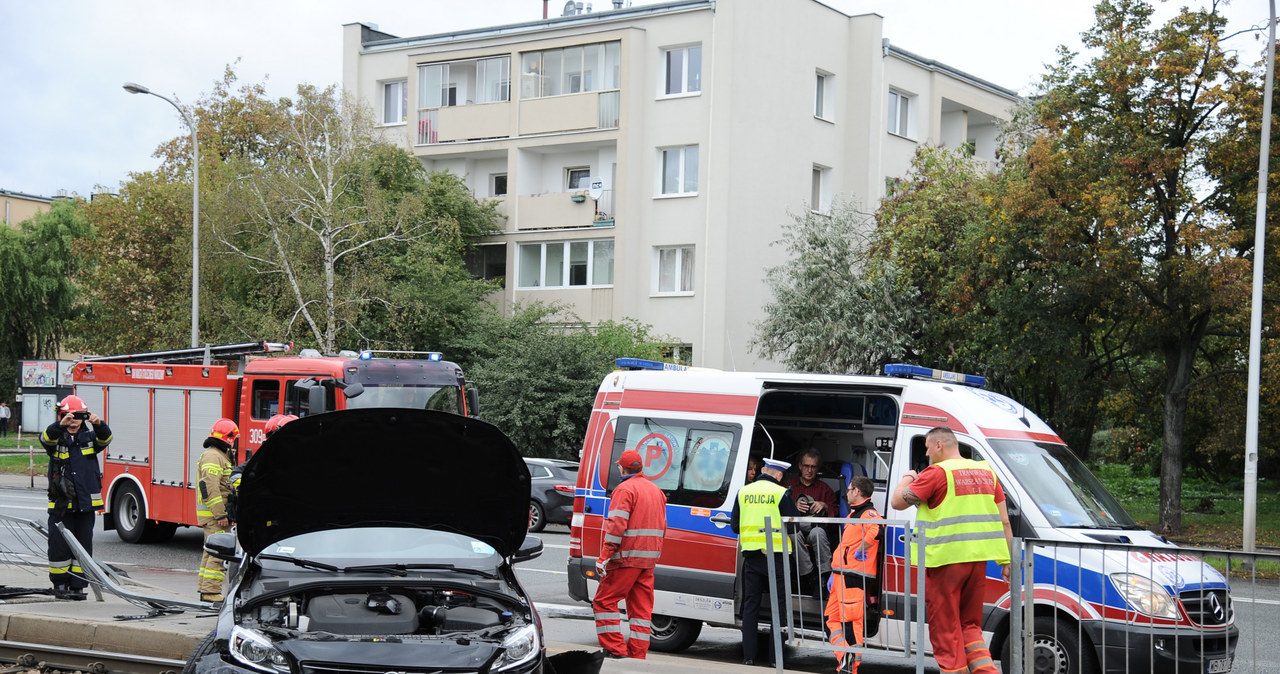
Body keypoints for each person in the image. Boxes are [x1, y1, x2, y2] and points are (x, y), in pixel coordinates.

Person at [889, 426, 1013, 674]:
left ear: (939, 445)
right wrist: (1006, 561)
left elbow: (897, 501)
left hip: (944, 563)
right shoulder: (986, 472)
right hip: (977, 563)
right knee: (970, 627)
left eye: (926, 447)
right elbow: (1004, 521)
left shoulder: (936, 473)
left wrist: (909, 477)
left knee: (945, 630)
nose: (926, 454)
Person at [593, 449, 667, 659]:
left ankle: (616, 651)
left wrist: (604, 556)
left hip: (626, 559)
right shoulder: (656, 491)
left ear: (622, 468)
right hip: (648, 560)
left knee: (604, 601)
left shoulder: (624, 490)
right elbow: (663, 527)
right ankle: (638, 655)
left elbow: (616, 526)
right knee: (641, 611)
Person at [40, 395, 112, 600]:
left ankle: (78, 587)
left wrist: (99, 424)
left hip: (85, 503)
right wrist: (59, 425)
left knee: (82, 546)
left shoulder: (89, 438)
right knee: (58, 546)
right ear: (62, 415)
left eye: (79, 416)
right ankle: (60, 586)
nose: (74, 421)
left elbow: (106, 438)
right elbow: (45, 438)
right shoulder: (56, 438)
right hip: (61, 504)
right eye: (70, 416)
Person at [732, 457, 799, 667]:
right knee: (777, 608)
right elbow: (794, 525)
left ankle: (749, 656)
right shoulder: (781, 493)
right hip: (776, 557)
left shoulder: (743, 492)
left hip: (751, 557)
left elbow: (735, 526)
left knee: (750, 607)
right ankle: (774, 658)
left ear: (763, 470)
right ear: (779, 475)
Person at [826, 476, 882, 674]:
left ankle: (851, 668)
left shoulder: (869, 513)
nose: (847, 492)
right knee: (831, 620)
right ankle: (845, 661)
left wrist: (861, 549)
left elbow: (876, 531)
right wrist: (835, 571)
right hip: (841, 574)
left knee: (850, 624)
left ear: (857, 491)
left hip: (853, 576)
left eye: (849, 489)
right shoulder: (854, 515)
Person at [196, 418, 239, 603]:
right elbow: (210, 487)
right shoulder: (214, 456)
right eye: (233, 438)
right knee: (218, 553)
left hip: (216, 514)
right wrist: (220, 514)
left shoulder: (219, 455)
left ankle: (205, 589)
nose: (234, 441)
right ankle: (211, 593)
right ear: (227, 438)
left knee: (210, 551)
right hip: (216, 515)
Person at [786, 448, 838, 584]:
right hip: (795, 528)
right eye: (806, 466)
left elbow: (837, 513)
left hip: (814, 528)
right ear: (800, 466)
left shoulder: (825, 489)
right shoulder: (788, 485)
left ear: (818, 468)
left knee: (818, 532)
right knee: (794, 534)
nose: (809, 470)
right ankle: (809, 576)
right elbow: (777, 509)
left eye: (813, 467)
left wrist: (824, 506)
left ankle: (824, 576)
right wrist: (793, 506)